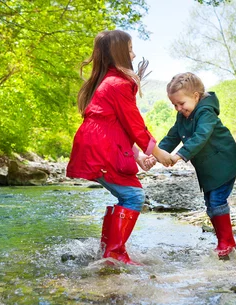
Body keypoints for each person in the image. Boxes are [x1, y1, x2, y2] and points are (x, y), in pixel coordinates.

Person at [66, 30, 172, 265]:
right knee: (133, 196)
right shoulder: (118, 84)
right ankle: (113, 254)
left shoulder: (109, 82)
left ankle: (107, 251)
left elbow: (118, 125)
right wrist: (158, 153)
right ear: (119, 53)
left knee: (127, 194)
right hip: (101, 148)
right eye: (131, 49)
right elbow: (135, 125)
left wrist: (137, 156)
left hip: (99, 145)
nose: (134, 54)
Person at [158, 72, 236, 259]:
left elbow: (201, 136)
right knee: (210, 203)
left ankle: (226, 243)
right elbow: (173, 135)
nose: (178, 108)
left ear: (196, 97)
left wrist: (179, 155)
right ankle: (226, 241)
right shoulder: (183, 116)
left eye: (181, 103)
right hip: (209, 168)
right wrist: (156, 154)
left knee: (217, 201)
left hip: (224, 163)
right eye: (174, 105)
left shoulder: (206, 112)